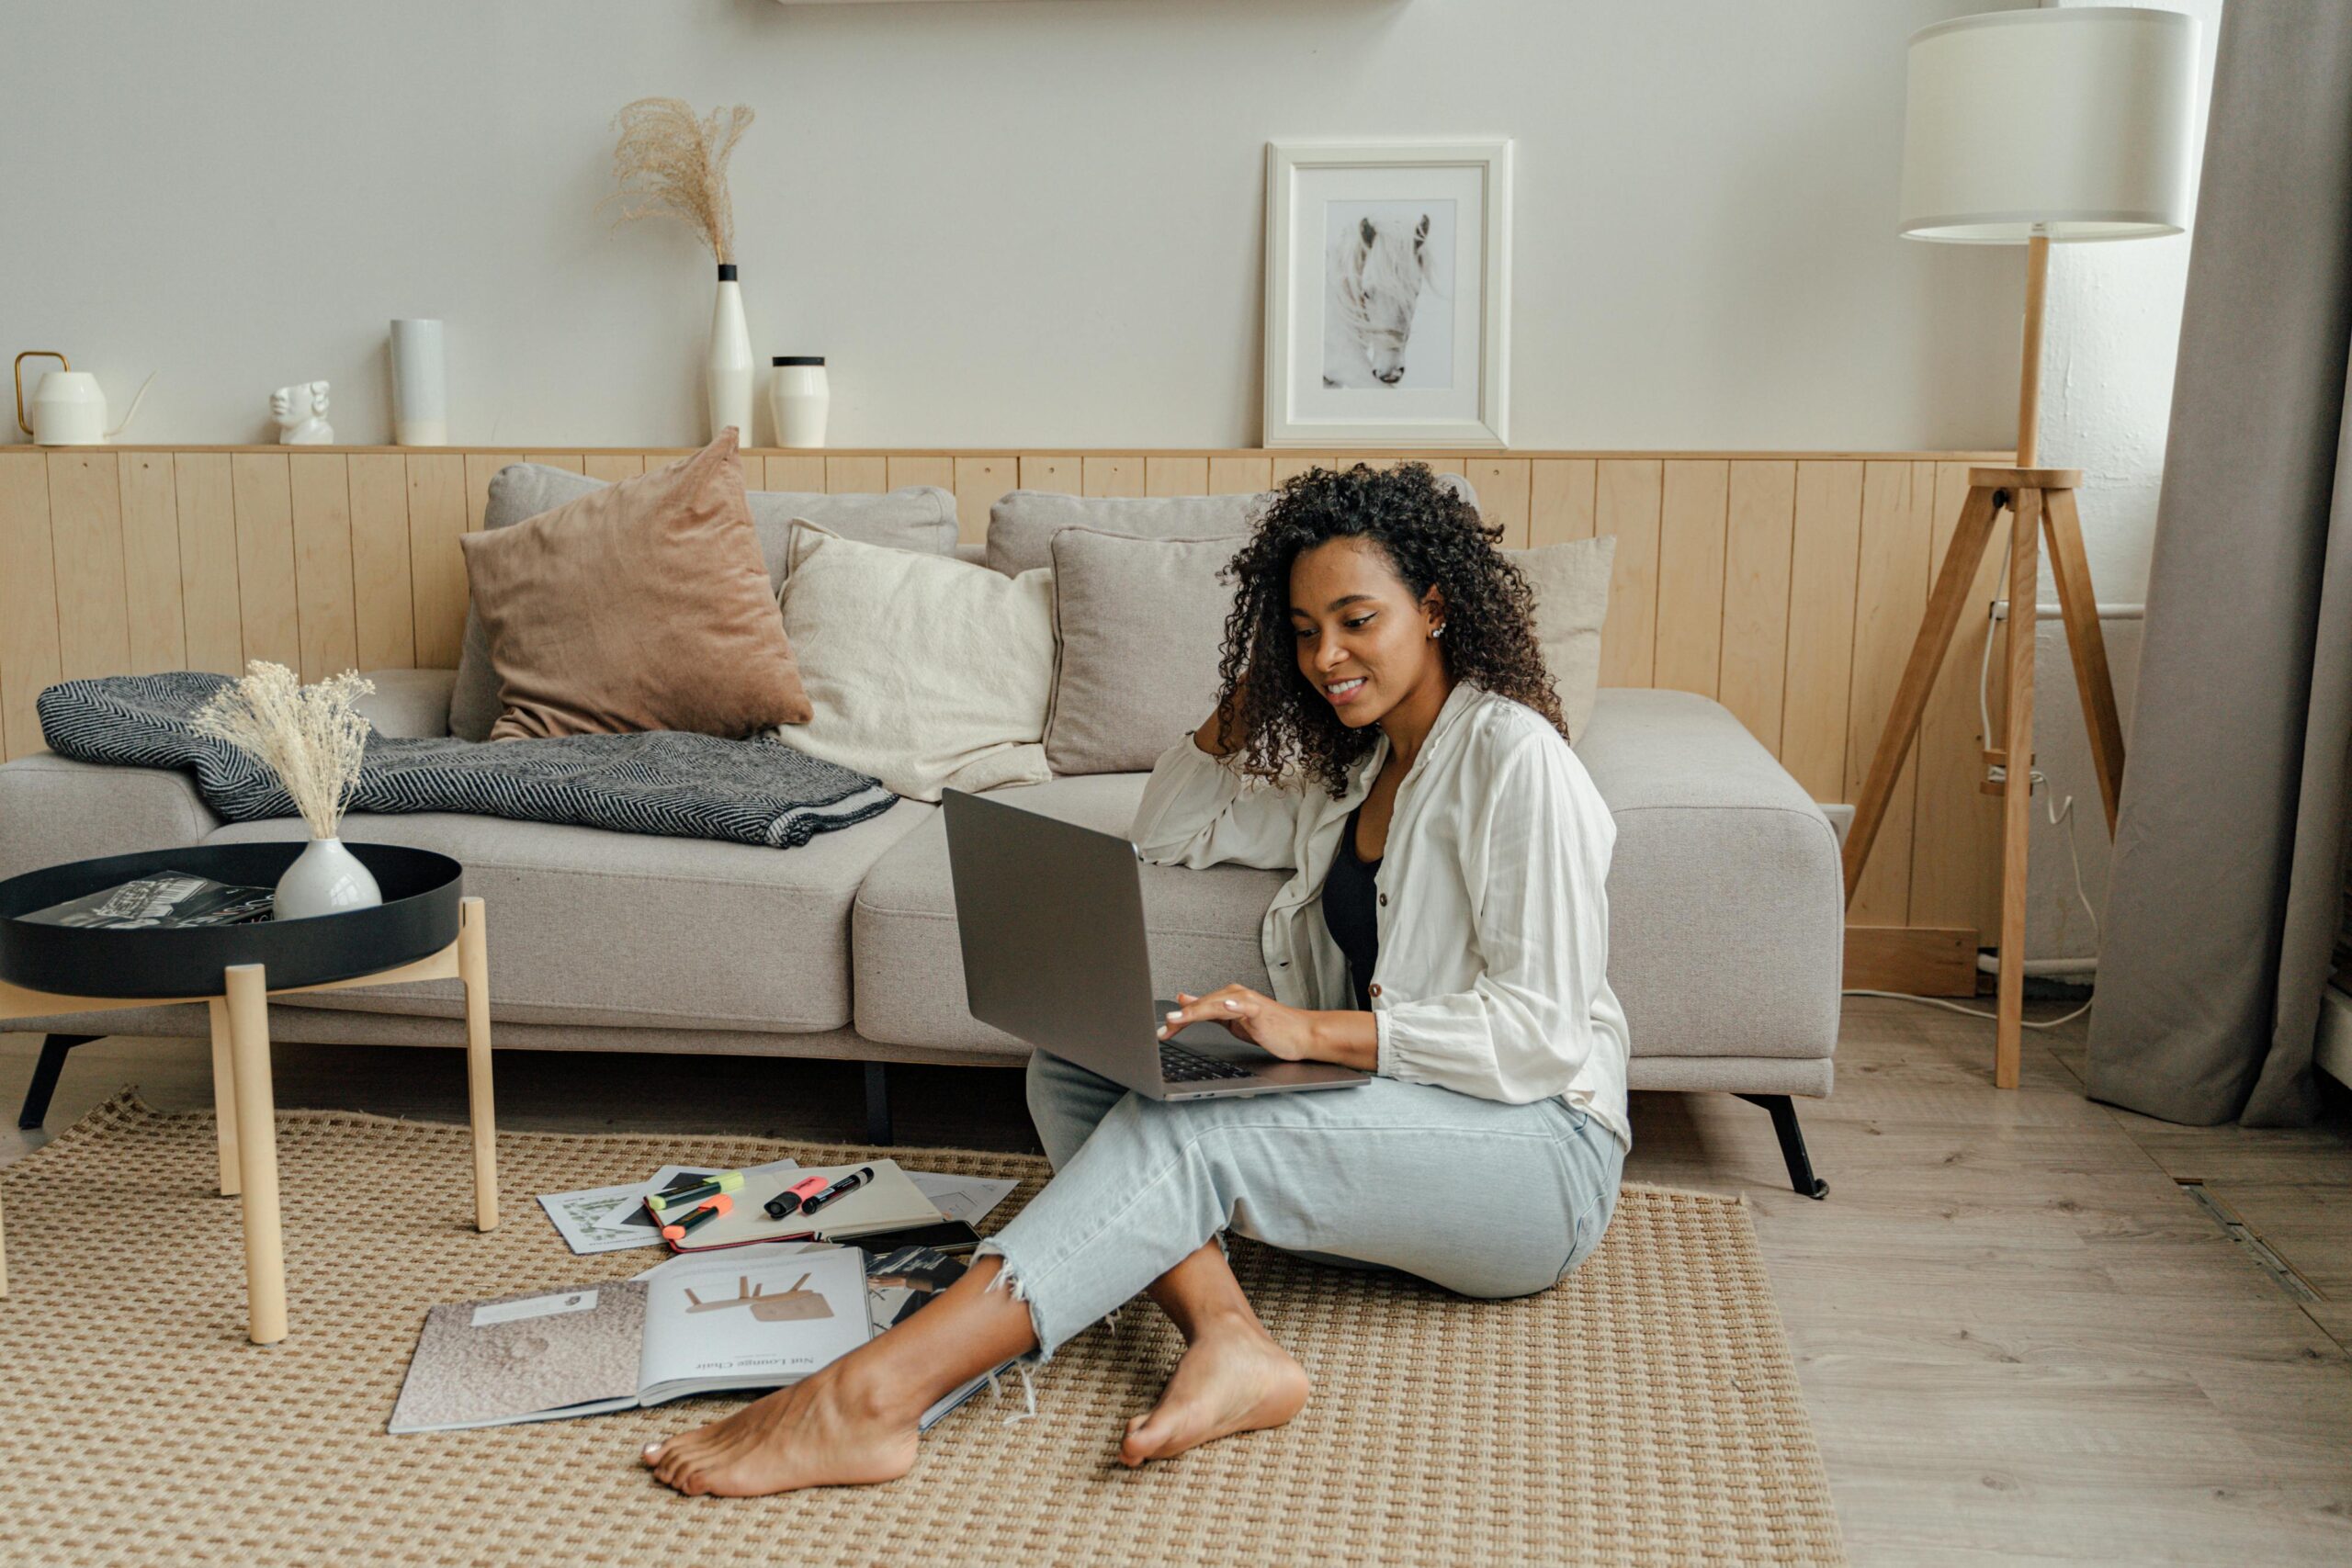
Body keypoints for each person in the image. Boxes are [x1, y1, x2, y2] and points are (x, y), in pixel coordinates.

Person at [643, 463, 1632, 1498]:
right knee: (1074, 1070)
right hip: (1406, 1112)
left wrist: (1310, 1035)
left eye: (1354, 622)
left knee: (1188, 1130)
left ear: (1434, 609)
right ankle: (1230, 1337)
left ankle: (872, 1401)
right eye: (1301, 630)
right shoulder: (1354, 772)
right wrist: (1256, 698)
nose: (1327, 655)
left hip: (1537, 1157)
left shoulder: (1517, 761)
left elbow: (1539, 1037)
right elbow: (1171, 825)